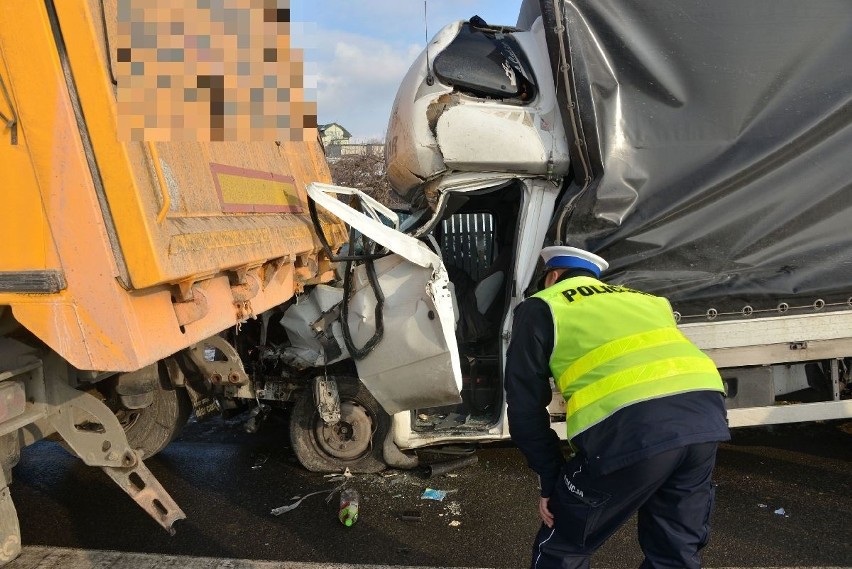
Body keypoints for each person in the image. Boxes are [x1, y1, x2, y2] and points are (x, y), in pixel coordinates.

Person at [505, 246, 730, 569]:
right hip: (704, 419)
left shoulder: (543, 305)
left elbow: (525, 406)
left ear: (552, 277)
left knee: (564, 545)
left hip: (633, 429)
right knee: (674, 550)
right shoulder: (647, 301)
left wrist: (551, 479)